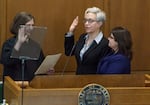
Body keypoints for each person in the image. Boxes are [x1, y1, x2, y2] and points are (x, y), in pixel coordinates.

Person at [64, 7, 111, 74]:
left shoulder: (105, 43)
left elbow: (103, 69)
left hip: (94, 81)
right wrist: (71, 31)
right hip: (78, 80)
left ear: (100, 23)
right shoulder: (82, 37)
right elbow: (69, 52)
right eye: (85, 20)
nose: (86, 23)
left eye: (90, 21)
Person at [0, 12, 45, 81]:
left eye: (32, 25)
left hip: (32, 84)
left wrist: (46, 70)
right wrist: (19, 43)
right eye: (28, 25)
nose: (31, 28)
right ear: (19, 26)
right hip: (14, 85)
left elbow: (40, 65)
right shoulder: (9, 44)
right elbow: (6, 61)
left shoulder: (35, 45)